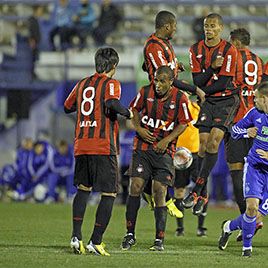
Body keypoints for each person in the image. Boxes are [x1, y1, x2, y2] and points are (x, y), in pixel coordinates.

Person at [64, 47, 133, 256]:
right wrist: (128, 112)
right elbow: (111, 102)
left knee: (83, 189)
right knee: (110, 192)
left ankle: (76, 237)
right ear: (114, 66)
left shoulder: (82, 83)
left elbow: (68, 107)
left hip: (82, 144)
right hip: (103, 145)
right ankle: (96, 240)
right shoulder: (111, 84)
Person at [121, 66, 192, 251]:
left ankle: (159, 239)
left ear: (170, 81)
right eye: (156, 80)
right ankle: (129, 234)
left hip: (164, 153)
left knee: (159, 191)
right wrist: (139, 129)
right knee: (135, 186)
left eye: (162, 81)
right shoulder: (145, 92)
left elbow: (184, 123)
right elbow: (133, 111)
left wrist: (167, 140)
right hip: (142, 149)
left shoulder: (180, 98)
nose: (158, 84)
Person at [183, 13, 238, 215]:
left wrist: (203, 90)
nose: (208, 29)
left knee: (214, 142)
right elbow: (198, 80)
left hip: (226, 100)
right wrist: (211, 67)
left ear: (220, 28)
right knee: (203, 146)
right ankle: (203, 195)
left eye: (212, 26)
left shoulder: (229, 50)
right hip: (208, 100)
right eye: (206, 25)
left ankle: (196, 189)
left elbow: (224, 82)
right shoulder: (195, 50)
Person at [218, 82, 268, 257]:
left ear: (264, 99)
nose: (252, 100)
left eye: (255, 97)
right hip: (254, 169)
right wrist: (248, 133)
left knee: (257, 217)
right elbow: (235, 130)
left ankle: (228, 226)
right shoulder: (255, 114)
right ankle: (247, 249)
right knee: (252, 209)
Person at [224, 28, 263, 230]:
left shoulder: (233, 58)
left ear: (237, 43)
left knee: (237, 171)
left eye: (231, 43)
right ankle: (255, 215)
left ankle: (248, 219)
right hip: (257, 120)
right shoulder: (258, 62)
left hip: (237, 121)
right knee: (257, 168)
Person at [143, 10, 205, 103]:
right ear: (167, 26)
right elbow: (165, 77)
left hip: (169, 94)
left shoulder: (164, 42)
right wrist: (196, 90)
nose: (175, 29)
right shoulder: (154, 46)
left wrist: (175, 66)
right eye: (174, 25)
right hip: (161, 99)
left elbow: (147, 66)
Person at [173, 94, 209, 236]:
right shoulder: (174, 110)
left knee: (201, 190)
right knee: (179, 190)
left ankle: (201, 228)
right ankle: (180, 228)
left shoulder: (197, 109)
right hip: (179, 154)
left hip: (196, 155)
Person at [28, 5, 43, 79]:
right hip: (33, 42)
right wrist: (31, 39)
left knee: (35, 58)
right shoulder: (31, 19)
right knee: (32, 58)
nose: (41, 12)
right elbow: (30, 30)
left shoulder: (36, 20)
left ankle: (33, 73)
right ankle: (31, 74)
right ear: (36, 10)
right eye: (40, 10)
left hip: (36, 42)